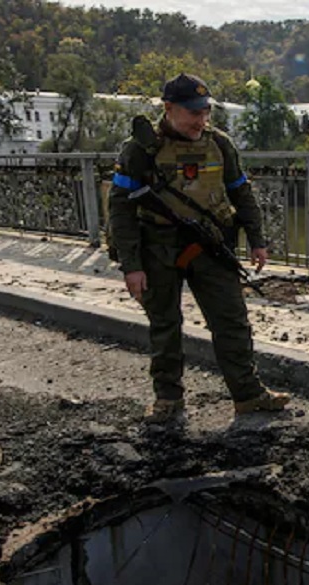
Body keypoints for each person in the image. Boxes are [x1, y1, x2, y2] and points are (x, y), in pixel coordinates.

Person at [107, 73, 289, 424]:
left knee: (232, 320)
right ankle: (168, 399)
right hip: (157, 249)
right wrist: (131, 266)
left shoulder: (219, 144)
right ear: (169, 108)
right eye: (193, 113)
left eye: (205, 112)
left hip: (210, 245)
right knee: (165, 324)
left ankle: (248, 395)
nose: (201, 120)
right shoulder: (139, 150)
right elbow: (121, 209)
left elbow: (241, 192)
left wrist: (257, 239)